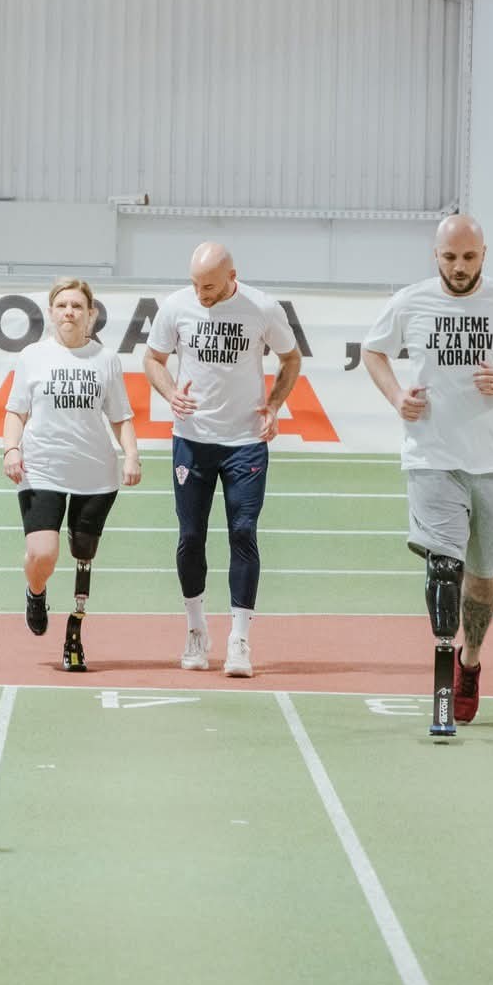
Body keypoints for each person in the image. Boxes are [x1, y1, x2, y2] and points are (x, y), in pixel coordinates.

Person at [362, 214, 493, 737]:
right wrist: (398, 396)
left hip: (492, 459)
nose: (459, 267)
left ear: (483, 254)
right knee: (445, 565)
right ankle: (444, 677)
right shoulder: (412, 301)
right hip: (431, 455)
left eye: (469, 257)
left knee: (482, 580)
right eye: (450, 257)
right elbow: (373, 351)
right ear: (436, 255)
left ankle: (471, 659)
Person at [142, 242, 301, 677]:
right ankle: (196, 631)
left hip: (245, 442)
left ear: (233, 276)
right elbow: (153, 359)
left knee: (243, 532)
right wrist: (169, 390)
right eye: (195, 283)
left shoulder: (262, 308)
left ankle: (240, 639)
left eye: (209, 286)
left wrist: (273, 405)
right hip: (191, 440)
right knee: (190, 536)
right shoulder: (176, 307)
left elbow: (291, 358)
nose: (201, 293)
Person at [2, 278, 141, 672]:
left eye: (77, 306)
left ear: (91, 314)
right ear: (51, 312)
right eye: (62, 305)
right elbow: (16, 411)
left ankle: (75, 627)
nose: (69, 312)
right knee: (41, 554)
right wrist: (11, 449)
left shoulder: (106, 360)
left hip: (94, 473)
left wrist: (132, 455)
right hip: (41, 468)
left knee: (83, 552)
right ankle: (36, 590)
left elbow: (120, 416)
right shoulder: (32, 356)